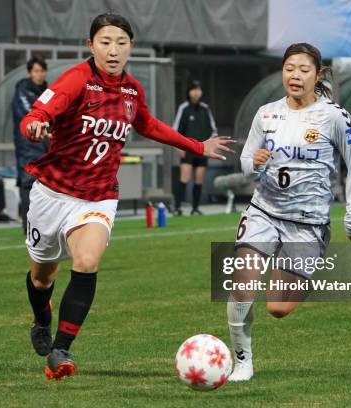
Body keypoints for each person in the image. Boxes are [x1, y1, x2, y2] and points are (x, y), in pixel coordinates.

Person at [19, 12, 234, 381]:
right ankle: (41, 318)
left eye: (121, 43)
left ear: (131, 46)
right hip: (52, 194)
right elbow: (37, 114)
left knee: (86, 261)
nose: (113, 50)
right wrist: (34, 126)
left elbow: (147, 124)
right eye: (105, 42)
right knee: (42, 277)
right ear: (91, 45)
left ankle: (61, 350)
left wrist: (197, 145)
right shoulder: (75, 81)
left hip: (98, 196)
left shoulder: (132, 89)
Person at [227, 42, 351, 382]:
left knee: (277, 308)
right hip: (263, 211)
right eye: (289, 68)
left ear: (317, 75)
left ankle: (305, 269)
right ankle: (242, 360)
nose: (295, 75)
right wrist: (255, 163)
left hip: (307, 224)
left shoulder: (334, 116)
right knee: (242, 284)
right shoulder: (267, 113)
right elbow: (246, 162)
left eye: (304, 70)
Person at [12, 56, 49, 234]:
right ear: (29, 73)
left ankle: (44, 224)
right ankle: (28, 226)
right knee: (28, 185)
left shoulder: (48, 92)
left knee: (47, 185)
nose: (39, 74)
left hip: (46, 145)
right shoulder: (22, 91)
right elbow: (29, 115)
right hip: (27, 146)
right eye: (36, 71)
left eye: (42, 71)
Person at [172, 80, 218, 215]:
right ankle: (177, 207)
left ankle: (195, 208)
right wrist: (178, 147)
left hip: (202, 150)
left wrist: (212, 145)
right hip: (187, 150)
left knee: (199, 179)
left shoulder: (205, 109)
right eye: (193, 89)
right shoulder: (184, 108)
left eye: (198, 89)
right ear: (189, 92)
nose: (196, 92)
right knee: (184, 178)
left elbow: (213, 130)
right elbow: (175, 130)